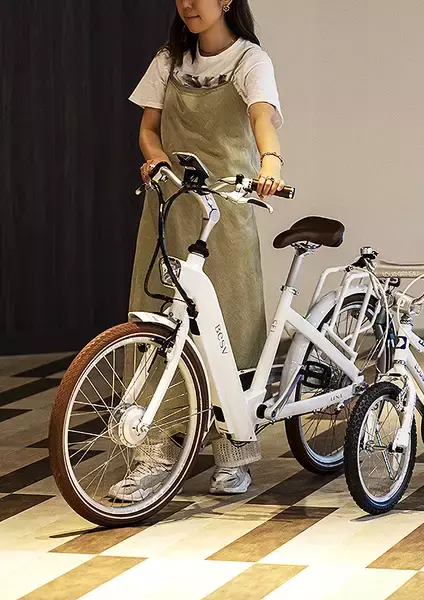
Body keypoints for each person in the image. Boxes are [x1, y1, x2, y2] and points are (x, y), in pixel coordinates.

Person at [115, 0, 285, 498]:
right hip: (171, 203)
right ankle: (154, 451)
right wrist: (156, 158)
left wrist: (270, 163)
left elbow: (261, 116)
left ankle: (233, 450)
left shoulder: (250, 60)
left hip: (226, 208)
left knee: (229, 321)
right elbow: (148, 129)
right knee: (156, 320)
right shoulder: (168, 59)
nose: (187, 4)